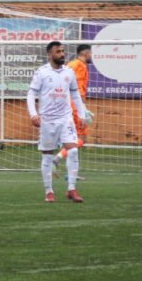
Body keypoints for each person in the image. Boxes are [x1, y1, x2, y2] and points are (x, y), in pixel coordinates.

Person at [27, 42, 91, 203]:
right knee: (47, 155)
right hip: (47, 120)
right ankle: (49, 191)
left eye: (63, 51)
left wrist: (81, 115)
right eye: (58, 51)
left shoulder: (69, 72)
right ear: (50, 54)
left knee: (73, 150)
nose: (62, 54)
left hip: (65, 118)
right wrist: (33, 114)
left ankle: (71, 189)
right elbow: (31, 94)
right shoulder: (41, 72)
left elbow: (75, 95)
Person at [53, 44, 94, 176]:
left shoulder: (71, 64)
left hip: (66, 104)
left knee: (68, 138)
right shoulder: (80, 65)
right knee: (80, 138)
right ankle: (57, 158)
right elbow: (78, 88)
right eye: (90, 53)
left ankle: (69, 173)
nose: (91, 56)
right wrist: (83, 108)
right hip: (75, 105)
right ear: (85, 53)